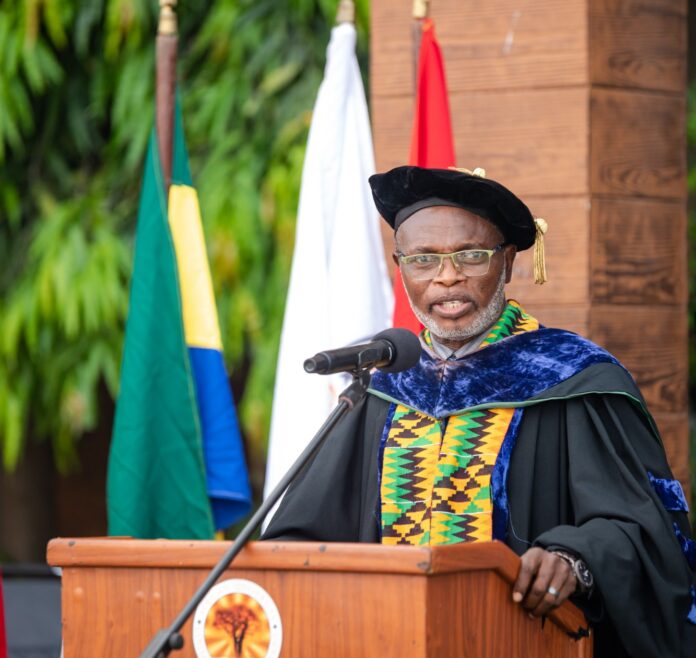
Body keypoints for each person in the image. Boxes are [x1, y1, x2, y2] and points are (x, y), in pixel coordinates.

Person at [263, 166, 696, 657]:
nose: (447, 277)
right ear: (400, 266)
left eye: (471, 256)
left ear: (508, 263)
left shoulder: (573, 379)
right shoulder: (382, 388)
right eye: (424, 259)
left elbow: (645, 533)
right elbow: (302, 537)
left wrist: (574, 558)